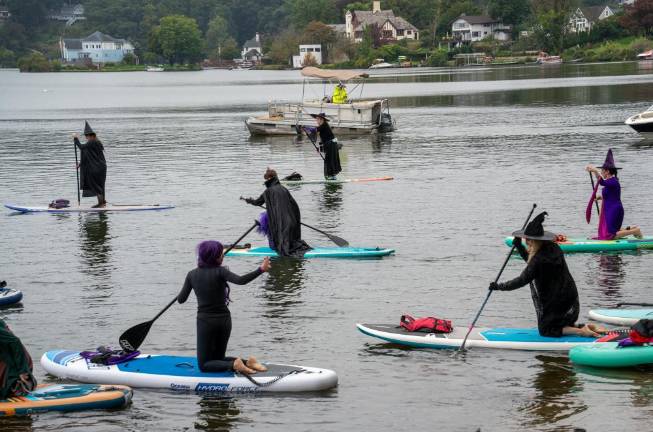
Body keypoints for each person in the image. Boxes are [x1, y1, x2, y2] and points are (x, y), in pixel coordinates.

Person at [489, 212, 607, 338]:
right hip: (569, 295)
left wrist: (499, 286)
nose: (526, 241)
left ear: (533, 241)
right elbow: (534, 267)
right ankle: (584, 326)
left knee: (546, 330)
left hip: (556, 300)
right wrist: (520, 247)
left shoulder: (538, 260)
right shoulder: (553, 248)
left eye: (527, 240)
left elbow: (521, 280)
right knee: (558, 323)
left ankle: (581, 331)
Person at [177, 240, 272, 374]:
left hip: (206, 322)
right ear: (214, 257)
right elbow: (241, 281)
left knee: (204, 365)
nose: (222, 256)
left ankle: (235, 364)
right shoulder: (221, 272)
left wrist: (185, 288)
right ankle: (248, 362)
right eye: (220, 254)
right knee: (218, 358)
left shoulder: (192, 274)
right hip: (225, 320)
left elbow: (181, 300)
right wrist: (261, 269)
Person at [244, 168, 311, 257]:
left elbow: (258, 202)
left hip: (281, 223)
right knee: (288, 239)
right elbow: (293, 205)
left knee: (275, 243)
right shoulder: (284, 189)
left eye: (266, 179)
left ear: (269, 179)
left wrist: (249, 200)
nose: (265, 182)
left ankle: (275, 248)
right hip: (291, 220)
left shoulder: (268, 191)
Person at [586, 149, 643, 239]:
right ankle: (633, 228)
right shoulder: (610, 181)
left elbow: (601, 182)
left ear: (607, 171)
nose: (601, 172)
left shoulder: (613, 181)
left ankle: (635, 231)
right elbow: (611, 194)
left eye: (602, 171)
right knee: (611, 232)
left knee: (610, 235)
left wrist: (595, 171)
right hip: (610, 209)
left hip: (614, 210)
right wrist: (600, 197)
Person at [0, 319, 37, 399]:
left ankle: (22, 383)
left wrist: (23, 371)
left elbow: (15, 341)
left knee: (7, 389)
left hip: (14, 358)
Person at [73, 121, 107, 208]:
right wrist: (80, 164)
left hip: (96, 167)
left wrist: (76, 139)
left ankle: (101, 204)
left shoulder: (92, 141)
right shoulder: (96, 142)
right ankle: (102, 202)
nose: (86, 137)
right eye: (85, 136)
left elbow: (81, 147)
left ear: (91, 135)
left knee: (96, 185)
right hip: (101, 167)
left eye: (87, 136)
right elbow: (87, 153)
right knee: (100, 184)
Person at [309, 113, 341, 180]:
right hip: (329, 145)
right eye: (316, 119)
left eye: (317, 119)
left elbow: (314, 130)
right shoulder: (323, 126)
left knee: (329, 160)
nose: (316, 121)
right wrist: (320, 148)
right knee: (328, 161)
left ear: (321, 120)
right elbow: (323, 139)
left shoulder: (324, 125)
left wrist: (305, 128)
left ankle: (331, 176)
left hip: (331, 145)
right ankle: (330, 176)